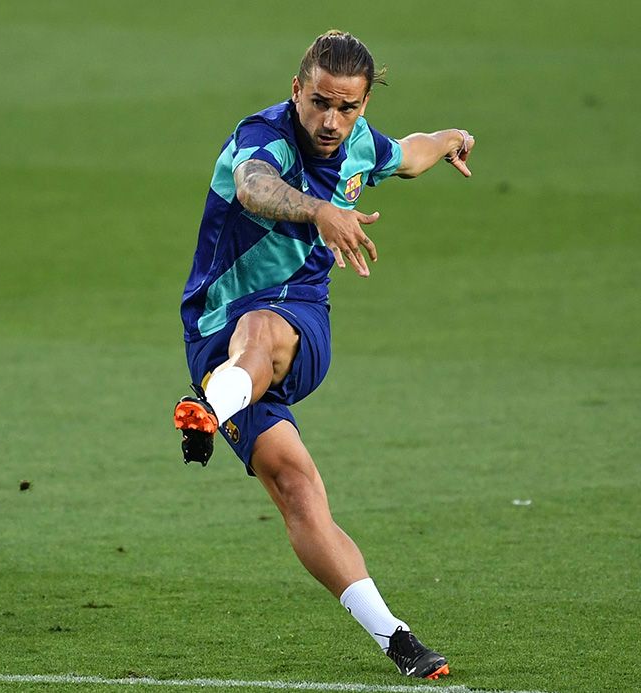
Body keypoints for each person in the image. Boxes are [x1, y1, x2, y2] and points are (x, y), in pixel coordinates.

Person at [173, 30, 473, 680]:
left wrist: (451, 139)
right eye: (320, 103)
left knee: (263, 327)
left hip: (299, 322)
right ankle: (397, 638)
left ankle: (208, 406)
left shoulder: (362, 143)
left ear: (363, 104)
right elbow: (254, 189)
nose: (332, 121)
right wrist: (318, 212)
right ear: (296, 91)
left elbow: (412, 155)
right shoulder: (262, 139)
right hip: (212, 332)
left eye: (349, 108)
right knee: (297, 488)